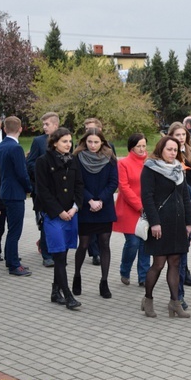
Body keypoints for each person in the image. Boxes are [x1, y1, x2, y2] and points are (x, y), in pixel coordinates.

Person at [140, 136, 191, 319]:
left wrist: (189, 223)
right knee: (159, 264)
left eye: (175, 150)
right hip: (160, 224)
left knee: (175, 262)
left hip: (178, 223)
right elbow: (147, 198)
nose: (172, 153)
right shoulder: (150, 168)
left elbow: (185, 198)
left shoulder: (179, 169)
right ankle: (148, 299)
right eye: (169, 149)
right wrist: (155, 223)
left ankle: (175, 303)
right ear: (160, 149)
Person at [35, 127, 83, 310]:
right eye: (64, 141)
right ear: (55, 143)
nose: (68, 145)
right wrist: (58, 211)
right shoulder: (43, 161)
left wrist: (75, 207)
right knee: (59, 255)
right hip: (54, 215)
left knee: (64, 254)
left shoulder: (73, 160)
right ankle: (68, 295)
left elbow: (79, 185)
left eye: (70, 141)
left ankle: (55, 291)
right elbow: (43, 191)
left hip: (71, 214)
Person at [73, 128, 118, 299]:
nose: (93, 145)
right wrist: (90, 200)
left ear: (102, 142)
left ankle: (104, 281)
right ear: (85, 141)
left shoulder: (110, 158)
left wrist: (101, 201)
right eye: (90, 142)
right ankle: (77, 276)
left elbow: (113, 182)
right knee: (83, 244)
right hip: (86, 206)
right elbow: (77, 183)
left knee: (104, 243)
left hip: (104, 207)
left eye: (96, 142)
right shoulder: (77, 158)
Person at [0, 116, 32, 276]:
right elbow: (21, 173)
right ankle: (14, 265)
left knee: (12, 229)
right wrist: (29, 187)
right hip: (15, 193)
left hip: (5, 190)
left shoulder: (1, 146)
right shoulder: (15, 148)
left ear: (4, 129)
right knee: (15, 230)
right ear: (21, 129)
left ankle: (11, 258)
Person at [168, 122, 191, 288]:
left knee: (190, 234)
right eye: (177, 135)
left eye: (183, 135)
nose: (181, 138)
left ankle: (184, 269)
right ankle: (183, 271)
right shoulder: (171, 154)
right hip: (180, 199)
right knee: (181, 239)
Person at [113, 134, 150, 288]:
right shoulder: (123, 163)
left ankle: (144, 276)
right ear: (132, 147)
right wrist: (139, 206)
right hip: (130, 209)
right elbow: (124, 187)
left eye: (143, 146)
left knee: (145, 244)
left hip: (148, 208)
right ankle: (125, 270)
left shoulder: (150, 163)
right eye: (138, 146)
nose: (142, 149)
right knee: (133, 242)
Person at [26, 111, 60, 267]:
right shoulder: (38, 141)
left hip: (60, 189)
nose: (44, 127)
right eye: (43, 124)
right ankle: (47, 254)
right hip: (42, 188)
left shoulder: (64, 139)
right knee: (45, 220)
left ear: (56, 125)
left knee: (58, 220)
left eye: (47, 124)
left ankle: (56, 249)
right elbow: (30, 163)